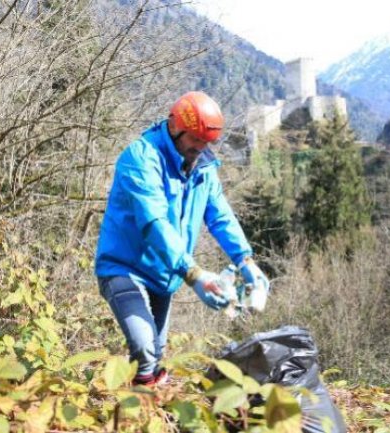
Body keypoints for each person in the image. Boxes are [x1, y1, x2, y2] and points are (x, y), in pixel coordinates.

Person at [95, 91, 270, 386]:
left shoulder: (204, 169)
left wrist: (245, 260)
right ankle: (135, 415)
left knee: (156, 354)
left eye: (207, 142)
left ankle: (148, 408)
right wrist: (194, 274)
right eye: (195, 139)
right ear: (176, 127)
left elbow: (220, 216)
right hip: (123, 268)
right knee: (144, 346)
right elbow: (154, 223)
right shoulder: (141, 158)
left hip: (164, 274)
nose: (200, 147)